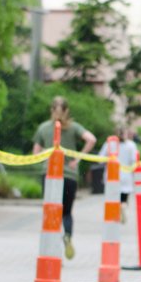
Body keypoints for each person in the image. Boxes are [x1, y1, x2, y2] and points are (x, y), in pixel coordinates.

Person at [32, 96, 96, 260]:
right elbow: (91, 139)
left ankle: (52, 252)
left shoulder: (43, 128)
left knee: (51, 212)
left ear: (51, 110)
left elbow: (35, 153)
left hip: (50, 175)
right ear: (67, 111)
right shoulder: (74, 127)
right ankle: (67, 235)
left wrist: (46, 159)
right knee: (66, 213)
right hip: (69, 176)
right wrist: (78, 158)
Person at [98, 128, 138, 223]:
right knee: (124, 198)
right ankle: (122, 207)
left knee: (112, 197)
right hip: (126, 175)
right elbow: (135, 161)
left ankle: (115, 214)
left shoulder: (109, 143)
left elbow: (100, 159)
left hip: (111, 175)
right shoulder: (131, 145)